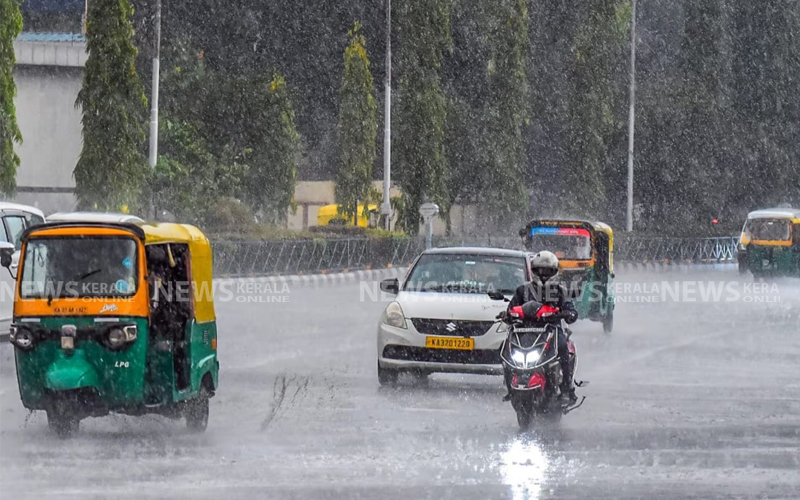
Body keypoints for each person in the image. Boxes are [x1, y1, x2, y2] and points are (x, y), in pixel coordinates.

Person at [502, 251, 579, 402]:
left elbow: (570, 309)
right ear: (534, 270)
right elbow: (511, 309)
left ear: (555, 272)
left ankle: (566, 388)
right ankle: (510, 387)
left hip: (552, 331)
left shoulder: (559, 291)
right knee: (505, 348)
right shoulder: (522, 290)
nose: (543, 274)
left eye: (548, 270)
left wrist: (569, 313)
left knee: (563, 347)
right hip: (525, 331)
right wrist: (507, 316)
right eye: (540, 270)